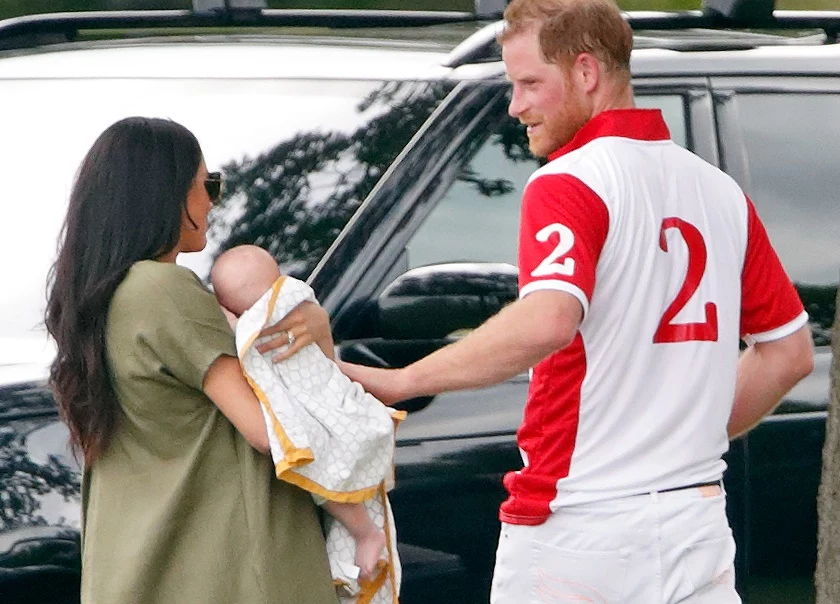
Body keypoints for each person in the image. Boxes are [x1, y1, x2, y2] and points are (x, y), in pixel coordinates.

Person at [338, 0, 815, 602]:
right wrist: (678, 436)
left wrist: (402, 381)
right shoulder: (719, 190)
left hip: (580, 524)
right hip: (696, 519)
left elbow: (549, 320)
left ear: (586, 73)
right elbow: (789, 354)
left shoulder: (568, 179)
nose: (516, 106)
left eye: (530, 83)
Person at [44, 117, 338, 604]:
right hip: (225, 571)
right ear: (165, 194)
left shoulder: (98, 299)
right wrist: (317, 334)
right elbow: (273, 430)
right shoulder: (165, 290)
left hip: (138, 569)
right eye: (208, 184)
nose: (212, 202)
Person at [210, 244, 402, 599]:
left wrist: (233, 321)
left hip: (331, 417)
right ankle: (362, 536)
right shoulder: (286, 309)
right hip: (326, 420)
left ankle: (365, 534)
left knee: (321, 464)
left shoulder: (288, 310)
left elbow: (261, 341)